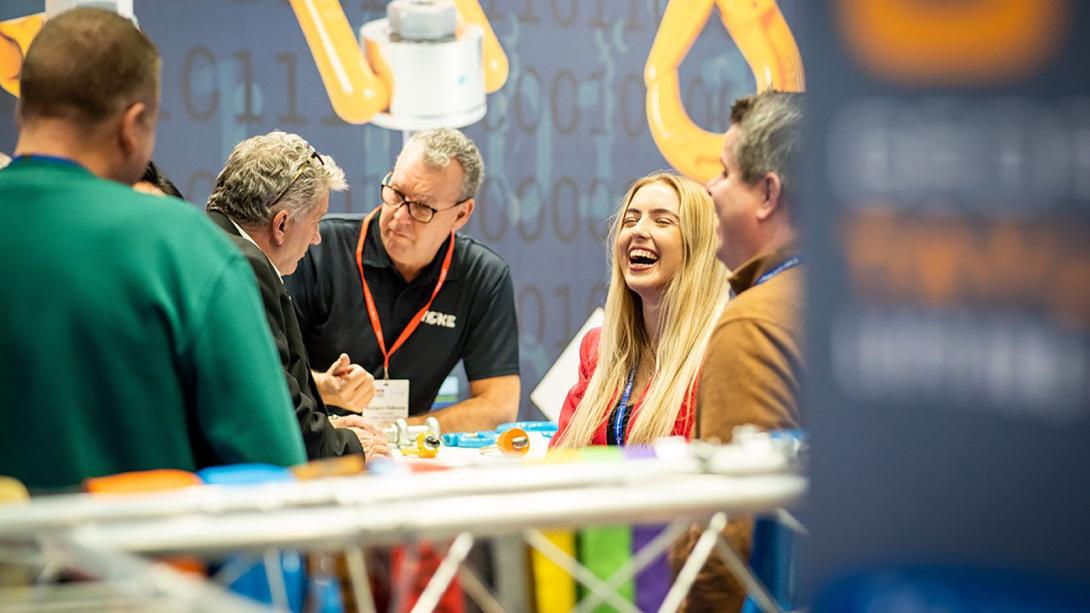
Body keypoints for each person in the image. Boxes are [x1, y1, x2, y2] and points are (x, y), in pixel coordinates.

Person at [0, 7, 305, 492]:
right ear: (133, 123)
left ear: (22, 109)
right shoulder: (183, 247)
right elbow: (272, 473)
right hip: (141, 563)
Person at [287, 128, 519, 432]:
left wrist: (402, 430)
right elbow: (266, 373)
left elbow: (499, 405)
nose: (398, 216)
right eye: (396, 194)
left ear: (461, 214)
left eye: (422, 207)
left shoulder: (483, 276)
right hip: (315, 441)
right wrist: (325, 387)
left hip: (404, 453)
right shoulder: (316, 248)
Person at [671, 91, 805, 612]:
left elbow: (727, 540)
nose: (710, 187)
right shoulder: (870, 303)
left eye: (725, 173)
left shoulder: (753, 323)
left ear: (768, 193)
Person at [206, 131, 389, 462]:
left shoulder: (204, 243)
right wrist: (347, 447)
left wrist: (328, 427)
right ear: (281, 225)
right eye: (316, 221)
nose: (318, 238)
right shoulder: (244, 266)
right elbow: (271, 411)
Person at [551, 172, 729, 448]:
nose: (638, 231)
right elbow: (562, 456)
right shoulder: (597, 348)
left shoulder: (720, 352)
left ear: (698, 247)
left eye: (662, 221)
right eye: (630, 220)